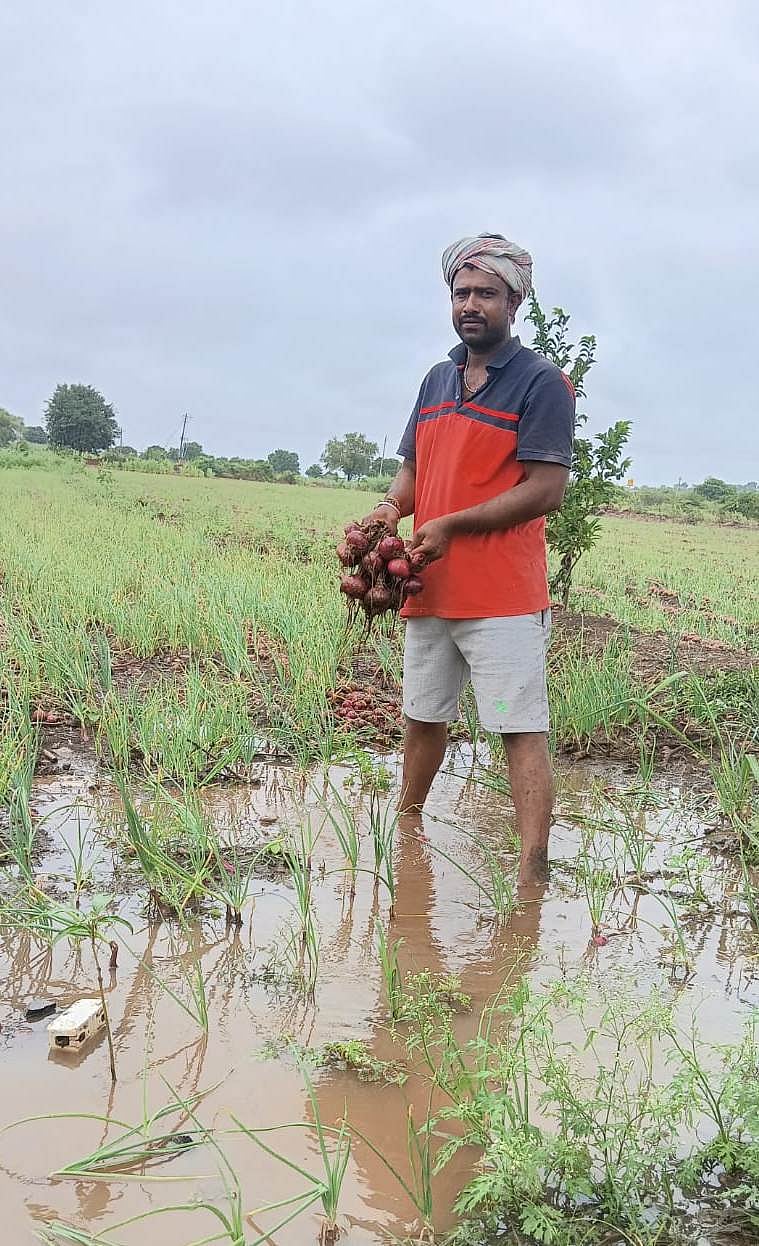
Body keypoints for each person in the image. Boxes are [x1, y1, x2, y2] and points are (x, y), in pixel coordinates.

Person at [364, 232, 575, 887]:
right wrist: (387, 510)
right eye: (461, 293)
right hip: (426, 588)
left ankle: (532, 869)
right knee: (422, 718)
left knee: (517, 728)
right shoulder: (436, 378)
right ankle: (406, 827)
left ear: (514, 301)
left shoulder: (542, 384)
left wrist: (451, 524)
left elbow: (545, 489)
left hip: (501, 600)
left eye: (486, 293)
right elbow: (414, 468)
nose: (471, 304)